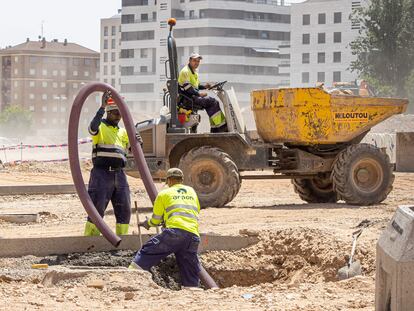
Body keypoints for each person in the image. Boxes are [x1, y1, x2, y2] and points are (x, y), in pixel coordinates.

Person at [129, 168, 201, 288]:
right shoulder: (191, 191)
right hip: (193, 236)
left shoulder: (164, 194)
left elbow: (156, 219)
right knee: (189, 267)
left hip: (174, 233)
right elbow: (194, 211)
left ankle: (130, 277)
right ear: (181, 180)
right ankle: (192, 291)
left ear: (168, 180)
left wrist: (148, 223)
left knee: (147, 252)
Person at [83, 90, 143, 236]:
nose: (118, 117)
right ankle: (90, 242)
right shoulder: (101, 127)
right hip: (101, 174)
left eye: (120, 114)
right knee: (96, 208)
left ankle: (121, 240)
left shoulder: (123, 132)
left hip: (120, 174)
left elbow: (134, 150)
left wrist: (138, 143)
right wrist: (101, 107)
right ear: (109, 113)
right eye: (115, 113)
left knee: (124, 209)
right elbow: (92, 128)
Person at [178, 52, 228, 133]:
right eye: (194, 60)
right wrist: (199, 94)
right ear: (189, 60)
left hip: (191, 97)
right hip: (187, 99)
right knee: (212, 102)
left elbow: (196, 86)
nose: (196, 63)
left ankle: (215, 128)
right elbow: (188, 88)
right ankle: (221, 127)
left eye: (198, 61)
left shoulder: (193, 72)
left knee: (213, 103)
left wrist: (205, 86)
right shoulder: (185, 71)